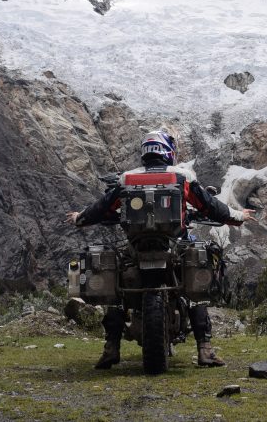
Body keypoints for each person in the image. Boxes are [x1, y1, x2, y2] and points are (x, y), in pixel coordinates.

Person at [66, 129, 252, 369]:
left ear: (145, 152)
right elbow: (210, 206)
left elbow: (101, 208)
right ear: (168, 152)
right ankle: (205, 350)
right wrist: (239, 216)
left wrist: (79, 218)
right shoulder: (181, 176)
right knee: (193, 290)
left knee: (117, 292)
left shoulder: (127, 179)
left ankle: (111, 348)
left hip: (136, 248)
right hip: (173, 245)